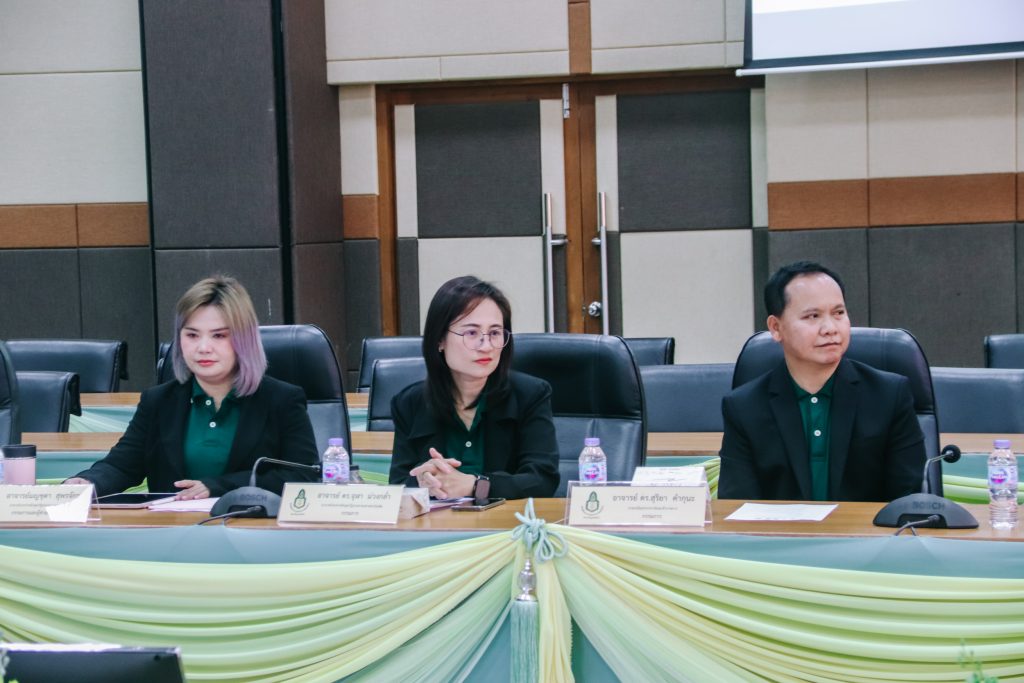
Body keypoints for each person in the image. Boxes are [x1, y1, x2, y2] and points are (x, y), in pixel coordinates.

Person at [66, 275, 319, 499]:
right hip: (173, 530)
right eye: (192, 335)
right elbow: (121, 466)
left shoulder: (281, 400)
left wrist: (220, 487)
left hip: (249, 528)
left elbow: (302, 477)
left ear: (244, 339)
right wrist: (87, 482)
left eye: (219, 335)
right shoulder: (158, 401)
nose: (203, 348)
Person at [718, 261, 925, 502]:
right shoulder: (744, 407)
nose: (830, 328)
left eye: (838, 313)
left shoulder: (889, 395)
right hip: (779, 528)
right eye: (813, 316)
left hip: (869, 528)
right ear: (776, 328)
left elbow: (907, 499)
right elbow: (736, 504)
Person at [389, 275, 559, 499]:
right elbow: (399, 485)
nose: (486, 346)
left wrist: (476, 485)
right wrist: (423, 481)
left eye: (495, 333)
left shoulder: (530, 394)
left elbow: (543, 480)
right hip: (438, 520)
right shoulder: (409, 402)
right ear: (439, 340)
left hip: (506, 520)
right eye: (471, 333)